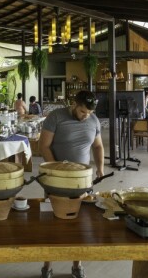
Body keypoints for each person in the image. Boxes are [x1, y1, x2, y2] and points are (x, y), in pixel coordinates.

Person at [39, 90, 104, 278]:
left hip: (82, 180)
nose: (86, 116)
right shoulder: (56, 117)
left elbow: (98, 146)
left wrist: (99, 168)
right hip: (55, 179)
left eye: (90, 113)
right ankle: (47, 265)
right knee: (52, 221)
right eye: (83, 111)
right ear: (74, 104)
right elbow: (43, 146)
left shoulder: (93, 120)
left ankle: (77, 265)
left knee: (81, 223)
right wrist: (57, 169)